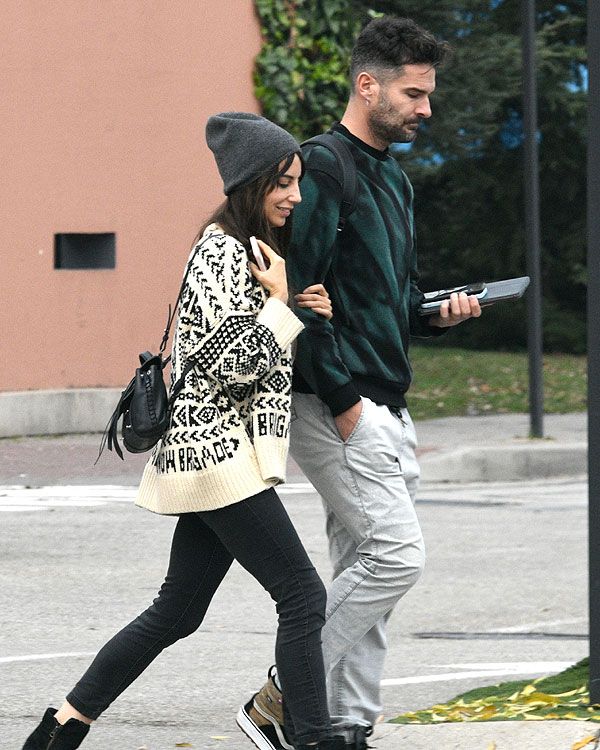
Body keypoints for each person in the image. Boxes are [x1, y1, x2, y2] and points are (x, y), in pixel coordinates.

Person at [22, 112, 345, 750]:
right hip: (218, 452)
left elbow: (232, 347)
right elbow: (224, 366)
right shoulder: (220, 249)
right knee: (302, 594)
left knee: (177, 611)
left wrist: (293, 309)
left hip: (216, 453)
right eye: (284, 182)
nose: (295, 196)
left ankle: (61, 728)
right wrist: (280, 307)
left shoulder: (248, 250)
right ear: (252, 182)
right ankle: (312, 739)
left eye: (297, 181)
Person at [237, 17, 482, 750]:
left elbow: (392, 301)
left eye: (428, 94)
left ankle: (343, 727)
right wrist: (344, 404)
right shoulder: (323, 167)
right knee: (396, 556)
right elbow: (295, 295)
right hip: (332, 400)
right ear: (366, 84)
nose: (425, 109)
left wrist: (437, 314)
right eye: (413, 93)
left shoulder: (393, 181)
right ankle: (281, 696)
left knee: (364, 566)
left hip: (383, 396)